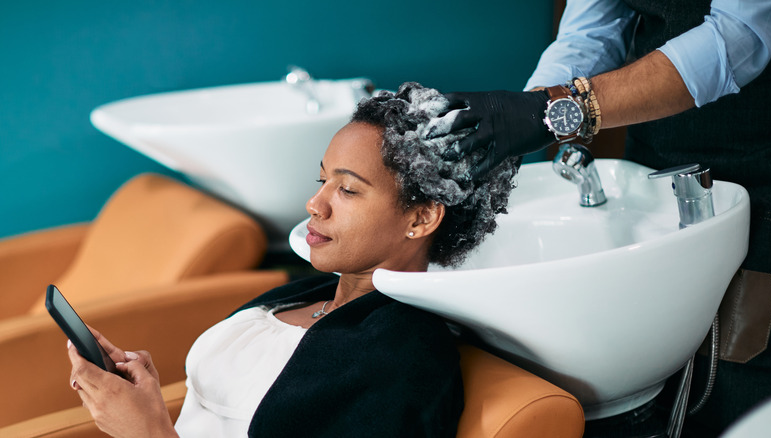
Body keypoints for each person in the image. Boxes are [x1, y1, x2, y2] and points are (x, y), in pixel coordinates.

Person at [66, 82, 521, 437]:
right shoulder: (309, 292)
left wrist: (147, 433)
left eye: (347, 189)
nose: (314, 205)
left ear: (421, 218)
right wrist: (145, 400)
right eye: (321, 180)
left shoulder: (405, 358)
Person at [429, 1, 771, 436]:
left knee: (738, 377)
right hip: (655, 166)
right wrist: (523, 117)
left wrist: (554, 114)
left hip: (764, 171)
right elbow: (590, 34)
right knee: (661, 358)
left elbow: (740, 36)